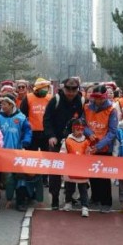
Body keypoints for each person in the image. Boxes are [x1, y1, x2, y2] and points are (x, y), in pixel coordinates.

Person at [43, 76, 84, 208]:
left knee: (72, 170)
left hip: (73, 141)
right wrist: (51, 136)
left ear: (78, 89)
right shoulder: (56, 100)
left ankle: (69, 197)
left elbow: (83, 120)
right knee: (55, 170)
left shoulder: (81, 101)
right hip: (56, 139)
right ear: (63, 88)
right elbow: (47, 119)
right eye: (68, 89)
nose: (71, 92)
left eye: (74, 89)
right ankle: (55, 198)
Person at [84, 85, 118, 212]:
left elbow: (112, 132)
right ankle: (95, 197)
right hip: (90, 145)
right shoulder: (87, 107)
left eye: (100, 98)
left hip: (104, 147)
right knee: (92, 174)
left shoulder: (111, 110)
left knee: (104, 176)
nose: (98, 100)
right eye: (95, 98)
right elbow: (83, 122)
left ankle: (106, 202)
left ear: (105, 96)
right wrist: (88, 133)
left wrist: (99, 146)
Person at [0, 92, 33, 210]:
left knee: (20, 176)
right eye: (2, 104)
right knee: (8, 178)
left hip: (18, 152)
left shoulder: (21, 117)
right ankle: (9, 198)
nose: (2, 106)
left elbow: (28, 131)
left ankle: (20, 201)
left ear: (11, 104)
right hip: (3, 153)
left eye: (5, 104)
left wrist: (25, 142)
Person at [59, 117, 92, 217]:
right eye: (78, 129)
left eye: (82, 130)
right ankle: (68, 203)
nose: (80, 132)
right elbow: (62, 153)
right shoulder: (67, 141)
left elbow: (88, 156)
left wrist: (89, 153)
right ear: (73, 129)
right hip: (70, 169)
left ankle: (85, 206)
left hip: (82, 169)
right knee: (69, 188)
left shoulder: (86, 141)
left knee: (83, 189)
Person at [20, 78, 52, 152]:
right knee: (31, 154)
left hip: (46, 132)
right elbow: (22, 115)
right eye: (43, 88)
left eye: (46, 88)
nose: (45, 90)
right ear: (37, 89)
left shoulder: (50, 98)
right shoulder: (28, 98)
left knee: (46, 154)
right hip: (32, 132)